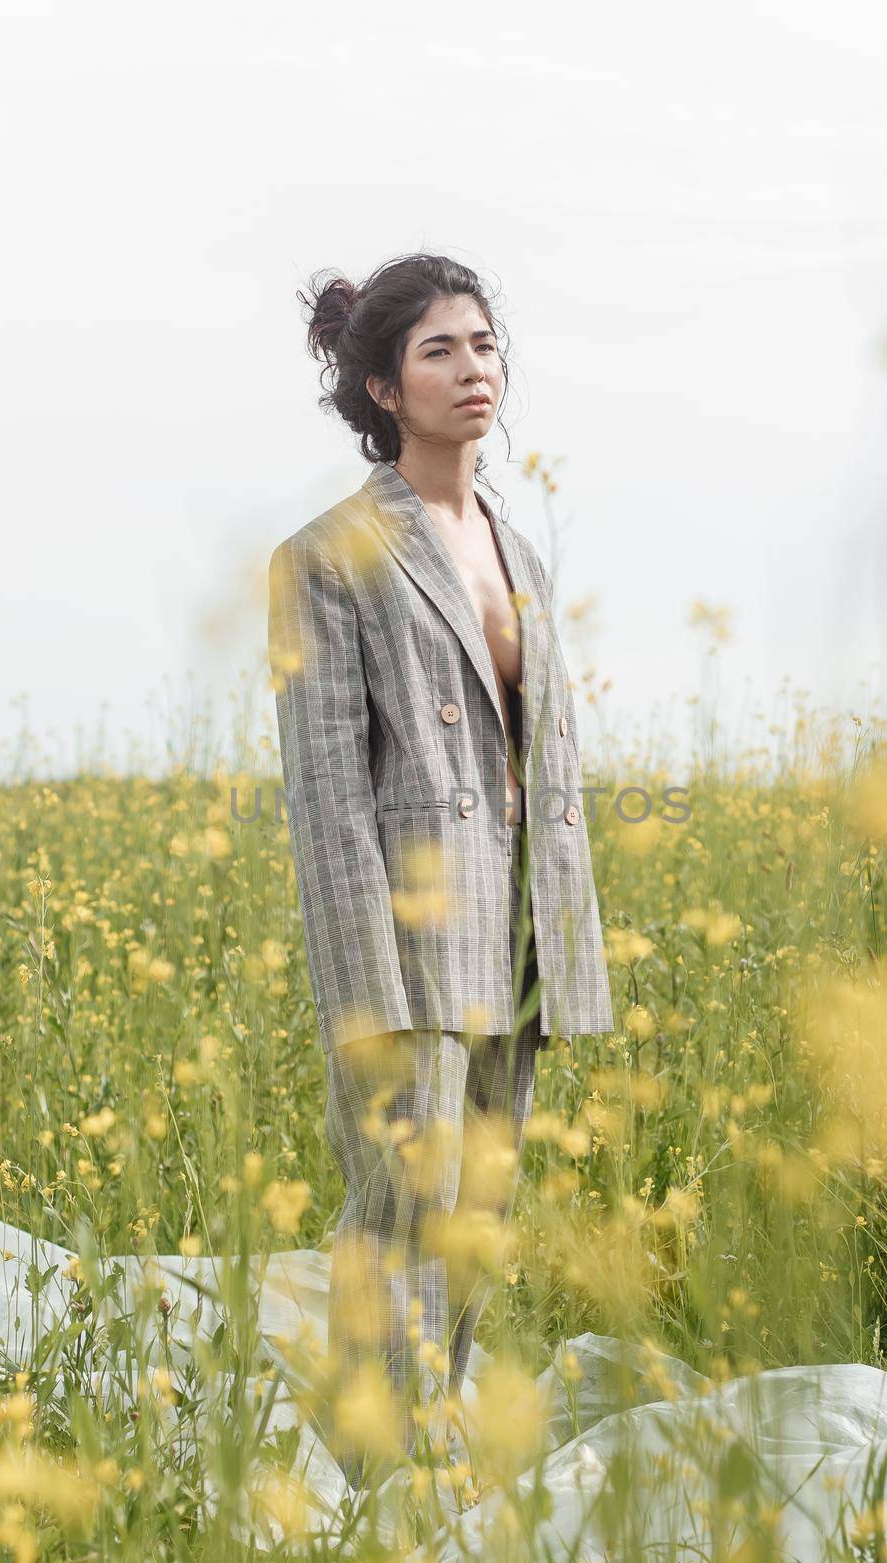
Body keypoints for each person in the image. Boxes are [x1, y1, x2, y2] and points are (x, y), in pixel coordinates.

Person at [267, 252, 614, 1487]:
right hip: (407, 938)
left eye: (483, 345)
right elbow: (325, 793)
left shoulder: (519, 546)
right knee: (404, 1213)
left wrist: (566, 942)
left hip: (516, 928)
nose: (474, 371)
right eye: (438, 352)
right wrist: (368, 990)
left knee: (475, 1215)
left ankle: (429, 1441)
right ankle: (380, 1477)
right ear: (379, 388)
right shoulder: (326, 555)